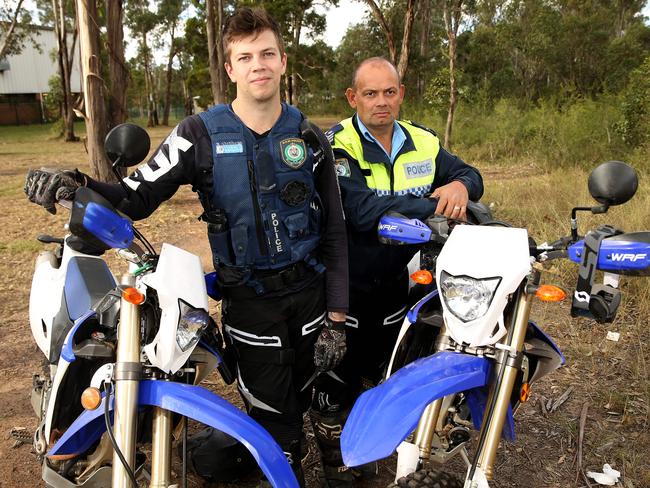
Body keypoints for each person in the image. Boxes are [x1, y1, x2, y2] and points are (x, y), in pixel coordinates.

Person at [24, 7, 348, 486]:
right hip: (250, 306)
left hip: (313, 298)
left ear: (282, 61)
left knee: (327, 394)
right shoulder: (198, 134)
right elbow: (136, 197)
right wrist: (75, 184)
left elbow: (335, 230)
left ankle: (339, 468)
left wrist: (337, 318)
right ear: (230, 69)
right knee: (275, 428)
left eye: (267, 54)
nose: (258, 64)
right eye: (245, 57)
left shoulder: (309, 136)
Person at [309, 57, 484, 486]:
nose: (381, 102)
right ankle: (338, 464)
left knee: (387, 372)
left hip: (401, 283)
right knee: (337, 381)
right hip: (343, 283)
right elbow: (361, 209)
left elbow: (469, 175)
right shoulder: (335, 145)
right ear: (354, 98)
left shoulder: (422, 140)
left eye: (390, 92)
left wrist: (461, 187)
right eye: (370, 93)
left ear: (401, 93)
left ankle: (375, 444)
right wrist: (438, 210)